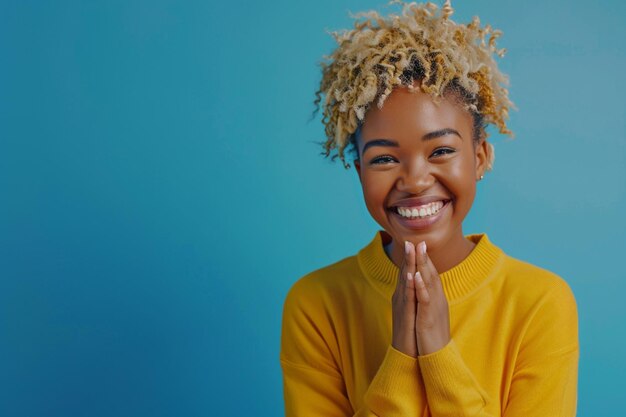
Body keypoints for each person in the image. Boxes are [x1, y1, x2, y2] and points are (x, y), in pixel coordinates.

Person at [280, 1, 579, 416]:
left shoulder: (539, 304)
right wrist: (402, 354)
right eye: (384, 158)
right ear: (358, 170)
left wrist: (438, 354)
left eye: (440, 150)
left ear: (480, 158)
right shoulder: (316, 305)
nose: (416, 180)